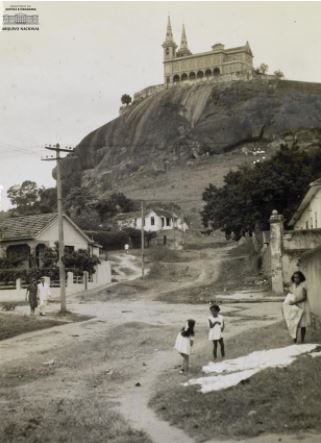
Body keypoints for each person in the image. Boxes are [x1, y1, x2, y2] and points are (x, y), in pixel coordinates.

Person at [288, 271, 311, 343]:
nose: (296, 279)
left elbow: (304, 297)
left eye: (297, 277)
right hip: (295, 306)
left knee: (302, 324)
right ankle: (294, 340)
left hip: (302, 305)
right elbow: (291, 294)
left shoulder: (303, 285)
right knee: (295, 323)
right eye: (294, 277)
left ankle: (302, 340)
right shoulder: (293, 285)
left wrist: (295, 302)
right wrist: (290, 300)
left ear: (301, 278)